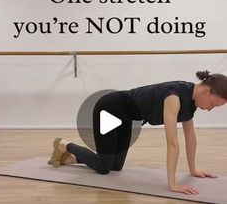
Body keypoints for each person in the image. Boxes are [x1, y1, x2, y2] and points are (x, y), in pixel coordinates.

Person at [48, 70, 227, 195]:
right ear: (205, 91)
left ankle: (69, 158)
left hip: (127, 118)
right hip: (109, 110)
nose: (211, 109)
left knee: (116, 167)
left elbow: (190, 137)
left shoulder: (191, 103)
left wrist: (193, 169)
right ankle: (64, 144)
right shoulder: (174, 97)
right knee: (104, 169)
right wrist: (172, 184)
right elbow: (172, 143)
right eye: (213, 104)